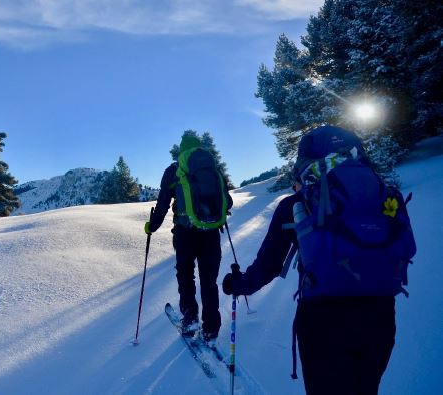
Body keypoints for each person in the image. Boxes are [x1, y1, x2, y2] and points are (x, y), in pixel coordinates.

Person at [221, 125, 415, 395]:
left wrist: (237, 285)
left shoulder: (296, 204)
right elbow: (407, 248)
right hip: (380, 316)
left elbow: (268, 266)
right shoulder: (387, 196)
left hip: (323, 319)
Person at [144, 133, 233, 341]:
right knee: (209, 281)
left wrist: (152, 226)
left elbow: (163, 203)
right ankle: (211, 327)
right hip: (211, 233)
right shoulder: (213, 169)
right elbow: (227, 202)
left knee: (186, 276)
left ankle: (190, 318)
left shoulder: (174, 170)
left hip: (185, 233)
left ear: (181, 150)